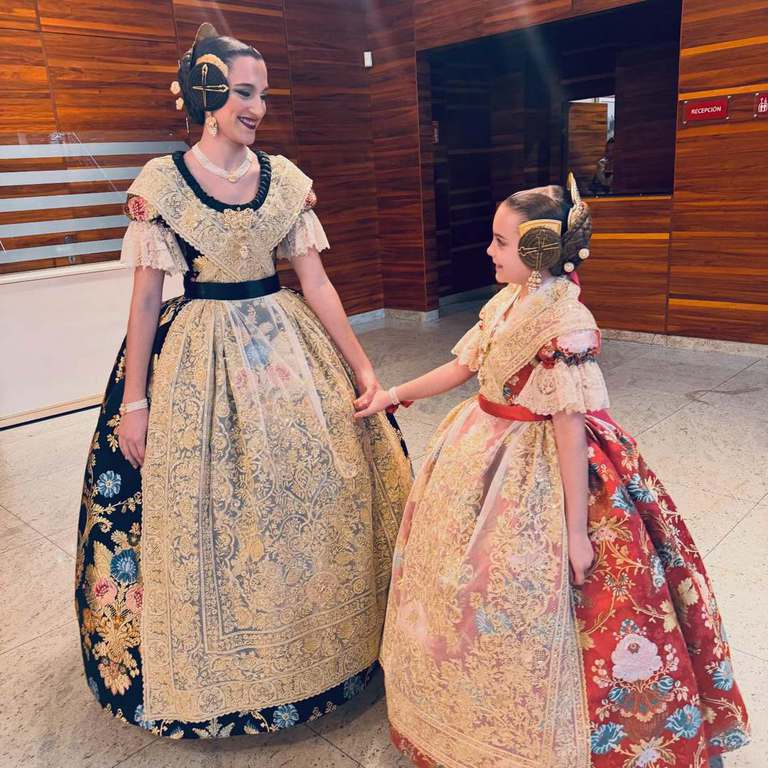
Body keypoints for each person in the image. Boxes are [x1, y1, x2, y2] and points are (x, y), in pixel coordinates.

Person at [74, 23, 412, 739]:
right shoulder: (162, 183)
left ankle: (328, 644)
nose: (257, 107)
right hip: (198, 351)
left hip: (286, 345)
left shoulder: (283, 179)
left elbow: (316, 283)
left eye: (263, 94)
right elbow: (145, 299)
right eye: (243, 92)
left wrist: (361, 366)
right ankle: (222, 675)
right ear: (205, 94)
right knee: (208, 506)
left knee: (314, 486)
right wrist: (134, 402)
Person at [355, 176, 749, 767]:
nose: (489, 251)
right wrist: (395, 394)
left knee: (527, 589)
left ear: (538, 250)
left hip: (535, 459)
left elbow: (568, 424)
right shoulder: (506, 301)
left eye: (500, 242)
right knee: (460, 582)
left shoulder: (566, 322)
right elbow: (463, 367)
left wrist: (576, 531)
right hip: (479, 444)